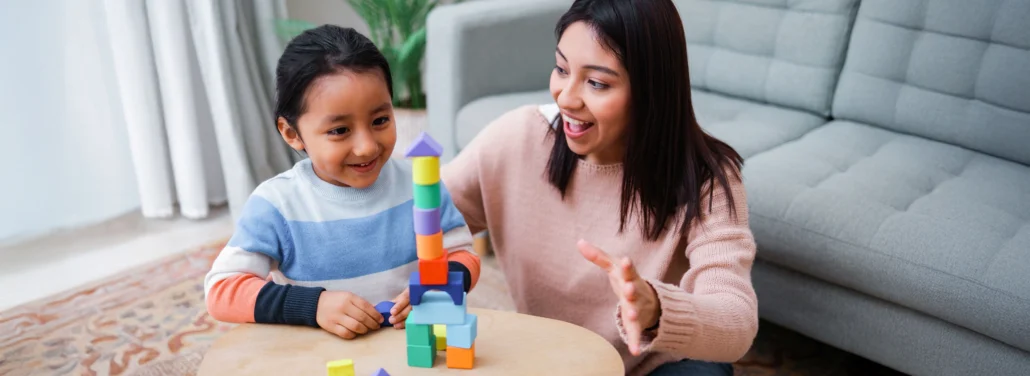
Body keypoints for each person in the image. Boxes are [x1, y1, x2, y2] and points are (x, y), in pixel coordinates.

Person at [441, 0, 757, 375]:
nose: (566, 97)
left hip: (655, 366)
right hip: (557, 362)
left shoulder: (707, 178)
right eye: (561, 69)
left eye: (597, 83)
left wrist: (656, 307)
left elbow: (737, 320)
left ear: (651, 89)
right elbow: (415, 219)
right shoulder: (518, 138)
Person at [203, 25, 480, 339]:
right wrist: (314, 305)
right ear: (291, 133)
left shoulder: (422, 184)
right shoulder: (277, 205)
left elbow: (464, 256)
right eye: (339, 130)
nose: (367, 146)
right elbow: (221, 291)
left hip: (408, 350)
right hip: (321, 358)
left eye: (380, 121)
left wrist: (438, 289)